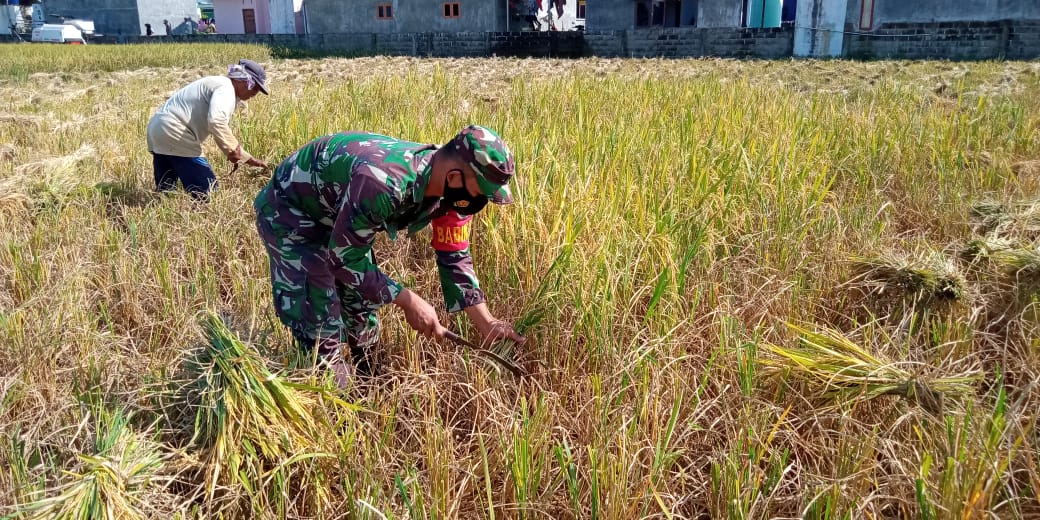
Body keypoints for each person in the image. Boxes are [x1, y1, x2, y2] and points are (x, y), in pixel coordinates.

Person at [254, 126, 526, 387]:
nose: (481, 202)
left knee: (360, 307)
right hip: (291, 213)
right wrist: (408, 300)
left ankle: (369, 380)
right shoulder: (383, 183)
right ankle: (337, 410)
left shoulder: (454, 197)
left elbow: (454, 255)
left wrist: (486, 322)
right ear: (455, 176)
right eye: (482, 193)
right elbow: (344, 258)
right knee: (319, 326)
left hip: (341, 212)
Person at [146, 59, 269, 200]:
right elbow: (216, 121)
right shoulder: (226, 88)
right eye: (254, 87)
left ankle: (163, 212)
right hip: (175, 132)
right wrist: (232, 150)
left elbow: (218, 126)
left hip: (158, 128)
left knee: (166, 191)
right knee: (207, 191)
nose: (255, 93)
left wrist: (248, 158)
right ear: (242, 80)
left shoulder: (219, 84)